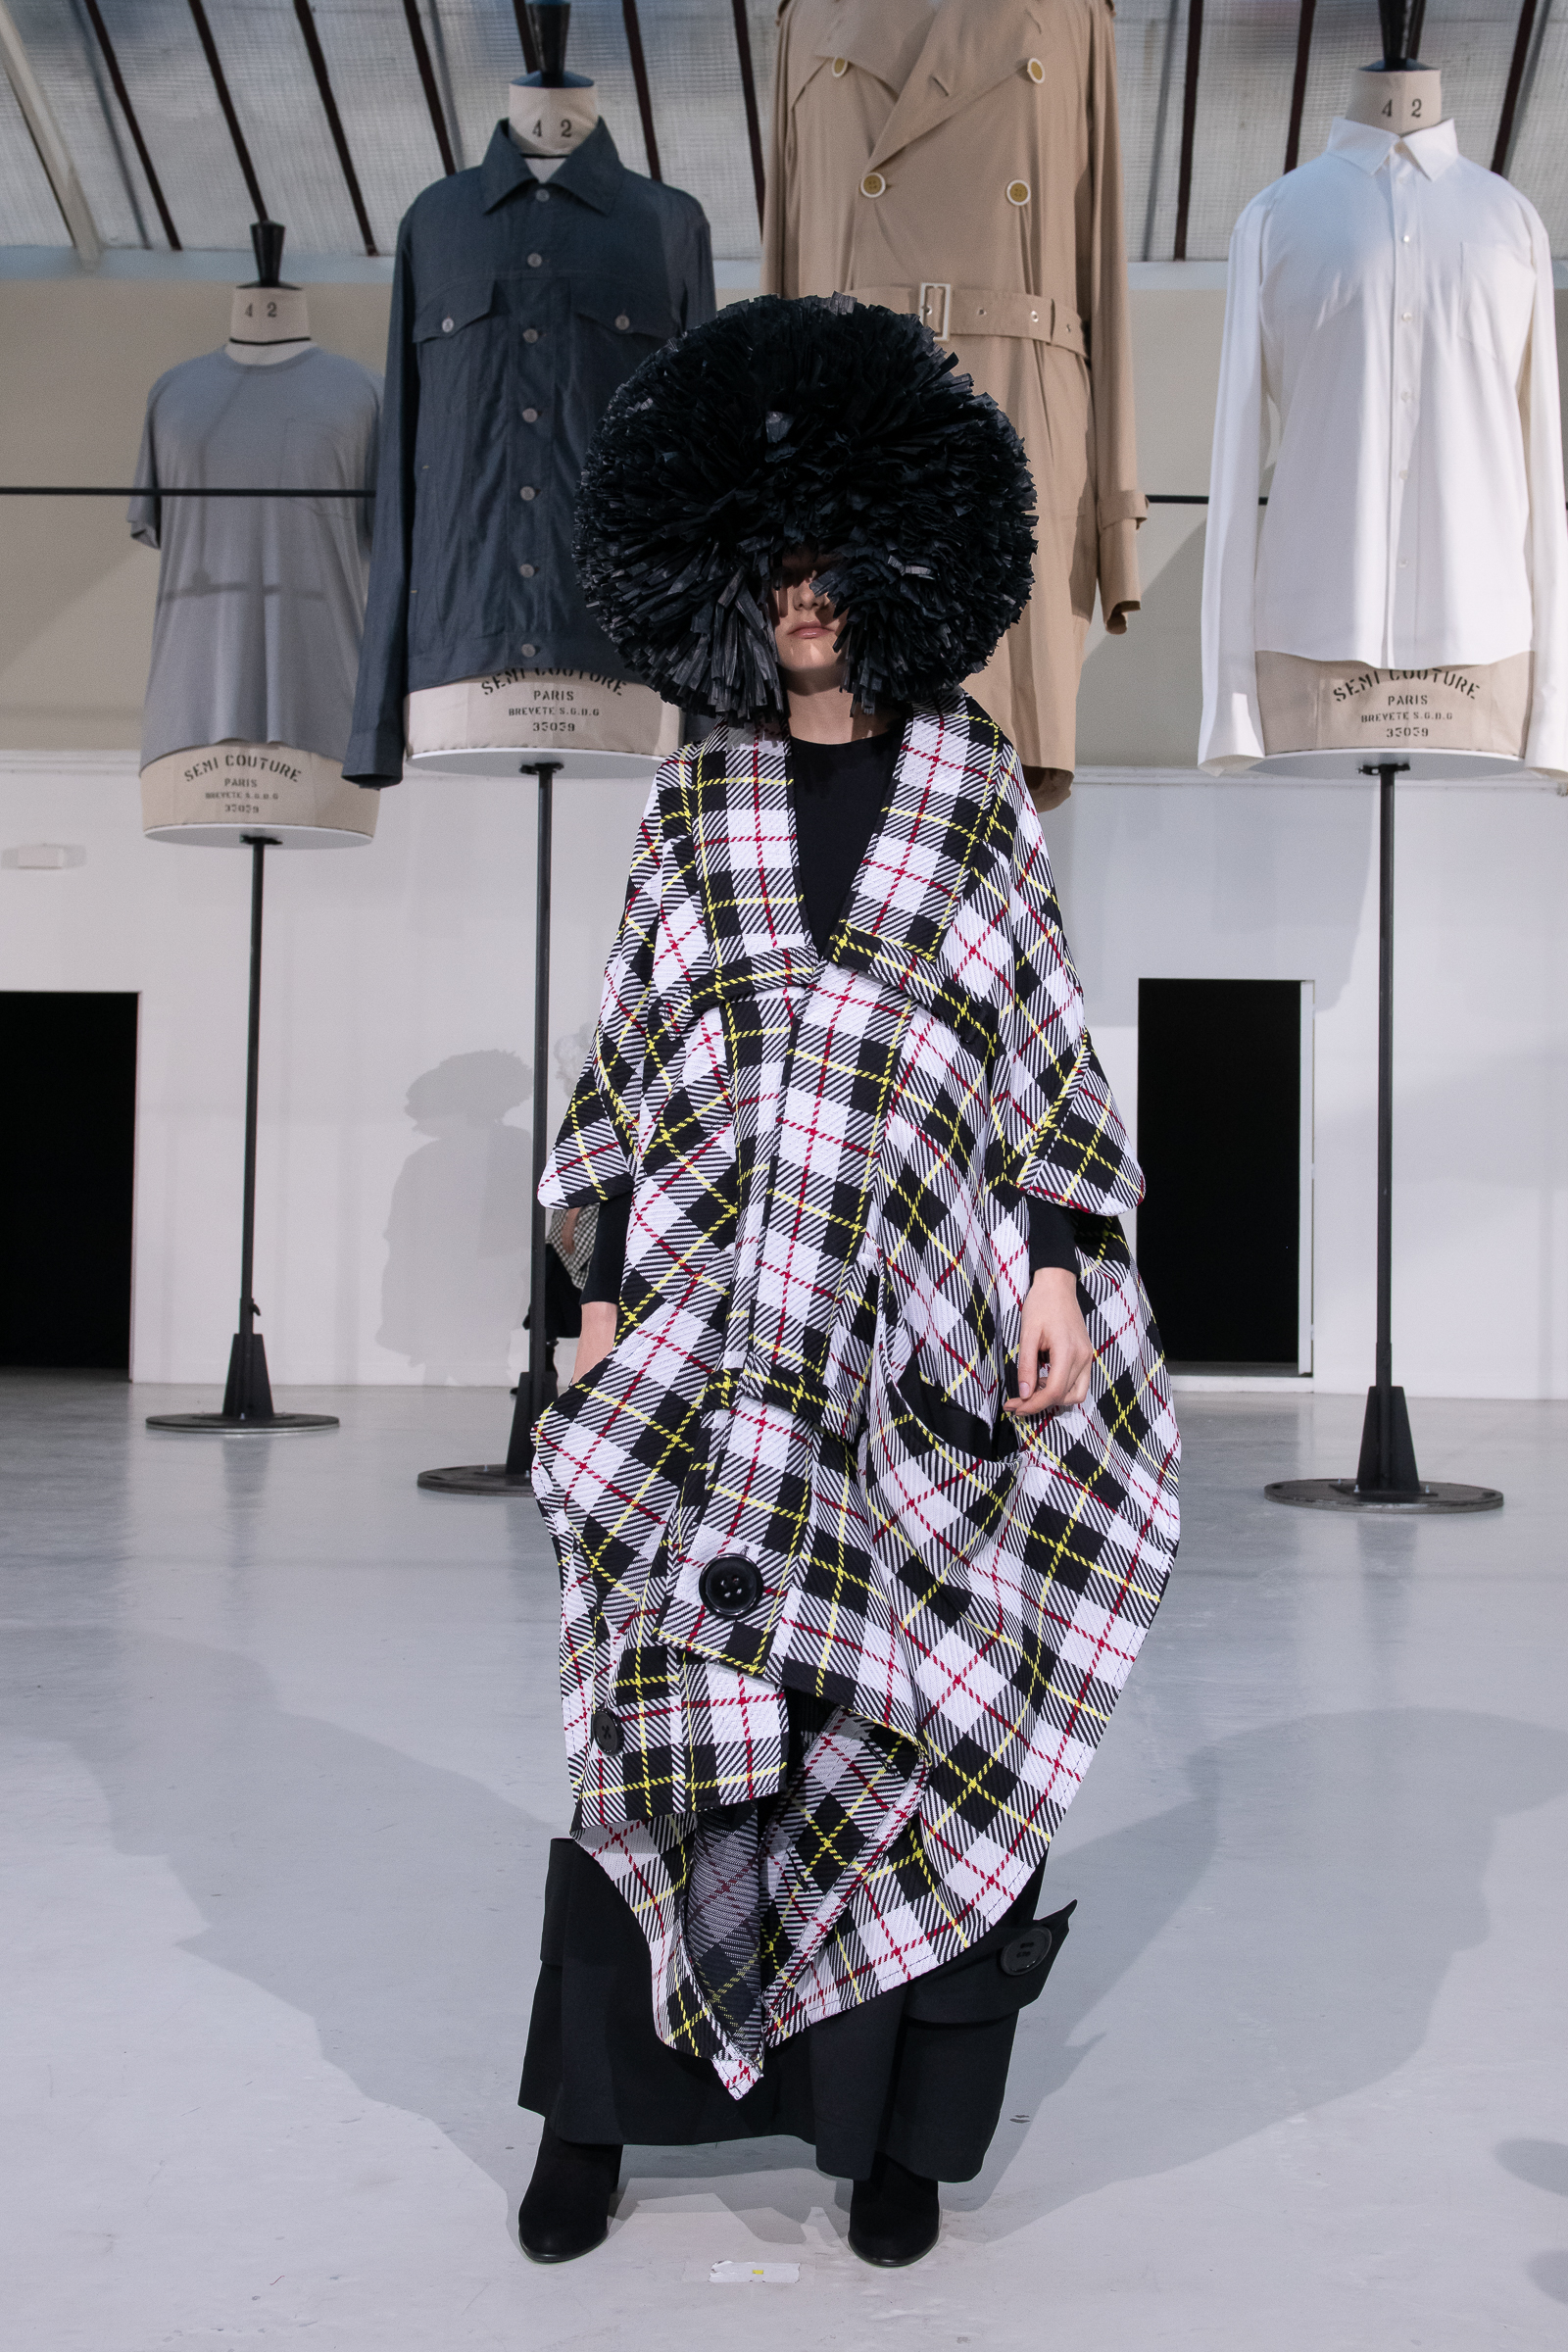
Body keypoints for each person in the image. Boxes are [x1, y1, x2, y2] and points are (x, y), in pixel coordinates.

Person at [517, 295, 1180, 2268]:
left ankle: (893, 2136)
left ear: (903, 561)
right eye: (774, 561)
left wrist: (1053, 1267)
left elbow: (1037, 1043)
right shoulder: (694, 791)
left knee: (906, 1706)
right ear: (723, 570)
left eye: (834, 559)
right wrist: (594, 1306)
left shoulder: (971, 789)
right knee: (658, 1708)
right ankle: (595, 2121)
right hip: (711, 1333)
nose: (804, 597)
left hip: (914, 1330)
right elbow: (628, 1059)